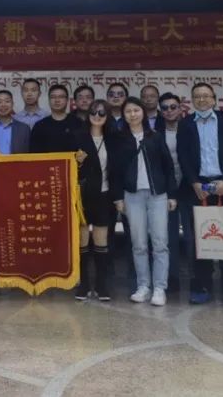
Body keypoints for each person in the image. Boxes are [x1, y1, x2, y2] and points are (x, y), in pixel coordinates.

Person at [178, 82, 223, 307]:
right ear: (192, 100)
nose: (202, 100)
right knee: (200, 239)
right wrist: (194, 182)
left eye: (206, 96)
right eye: (197, 96)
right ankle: (201, 287)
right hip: (198, 189)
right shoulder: (185, 124)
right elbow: (183, 156)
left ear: (214, 99)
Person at [112, 97, 178, 306]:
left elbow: (168, 167)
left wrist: (172, 195)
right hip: (132, 196)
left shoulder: (155, 137)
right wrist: (118, 197)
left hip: (157, 194)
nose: (132, 114)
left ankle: (159, 288)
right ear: (123, 115)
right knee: (138, 243)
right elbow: (114, 171)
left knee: (160, 243)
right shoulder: (119, 139)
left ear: (143, 112)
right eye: (128, 111)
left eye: (136, 110)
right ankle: (143, 286)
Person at [72, 99, 116, 301]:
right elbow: (66, 167)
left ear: (108, 116)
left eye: (102, 113)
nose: (97, 116)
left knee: (101, 241)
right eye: (93, 112)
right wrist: (77, 162)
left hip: (104, 195)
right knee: (81, 241)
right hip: (82, 196)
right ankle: (82, 284)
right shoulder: (78, 136)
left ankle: (101, 285)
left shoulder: (113, 138)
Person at [158, 92, 186, 291]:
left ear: (180, 109)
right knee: (169, 236)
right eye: (165, 108)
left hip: (190, 187)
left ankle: (197, 279)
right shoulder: (155, 133)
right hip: (167, 190)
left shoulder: (190, 129)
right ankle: (172, 277)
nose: (169, 111)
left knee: (192, 236)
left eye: (173, 107)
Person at [30, 84, 84, 152]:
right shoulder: (39, 126)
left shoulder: (78, 123)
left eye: (61, 97)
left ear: (67, 100)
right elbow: (33, 154)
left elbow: (85, 150)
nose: (57, 100)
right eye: (53, 97)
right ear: (49, 100)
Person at [0, 90, 31, 155]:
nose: (3, 105)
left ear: (12, 104)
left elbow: (28, 154)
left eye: (7, 101)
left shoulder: (24, 129)